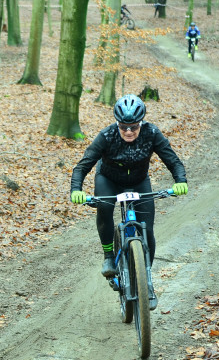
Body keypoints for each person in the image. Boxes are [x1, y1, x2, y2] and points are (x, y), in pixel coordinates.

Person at [70, 94, 187, 310]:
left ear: (141, 123)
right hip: (109, 180)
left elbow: (173, 160)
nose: (129, 131)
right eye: (124, 127)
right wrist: (76, 190)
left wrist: (181, 181)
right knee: (104, 207)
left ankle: (146, 282)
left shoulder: (152, 133)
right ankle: (108, 255)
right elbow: (82, 166)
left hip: (139, 182)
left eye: (134, 126)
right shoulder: (106, 136)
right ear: (118, 124)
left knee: (147, 231)